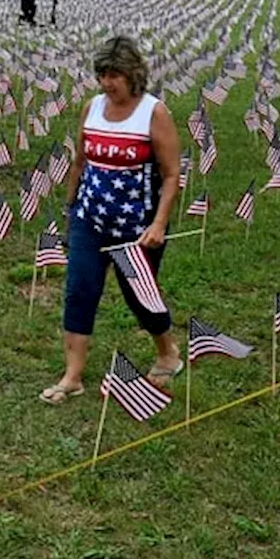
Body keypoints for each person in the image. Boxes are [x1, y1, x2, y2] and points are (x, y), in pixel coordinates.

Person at [40, 36, 182, 405]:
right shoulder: (92, 108)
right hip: (90, 218)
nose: (107, 82)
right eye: (102, 74)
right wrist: (70, 208)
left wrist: (160, 224)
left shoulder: (153, 112)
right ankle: (72, 376)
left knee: (139, 295)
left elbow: (171, 175)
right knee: (79, 291)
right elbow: (80, 162)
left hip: (136, 226)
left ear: (133, 73)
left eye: (114, 74)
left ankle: (167, 351)